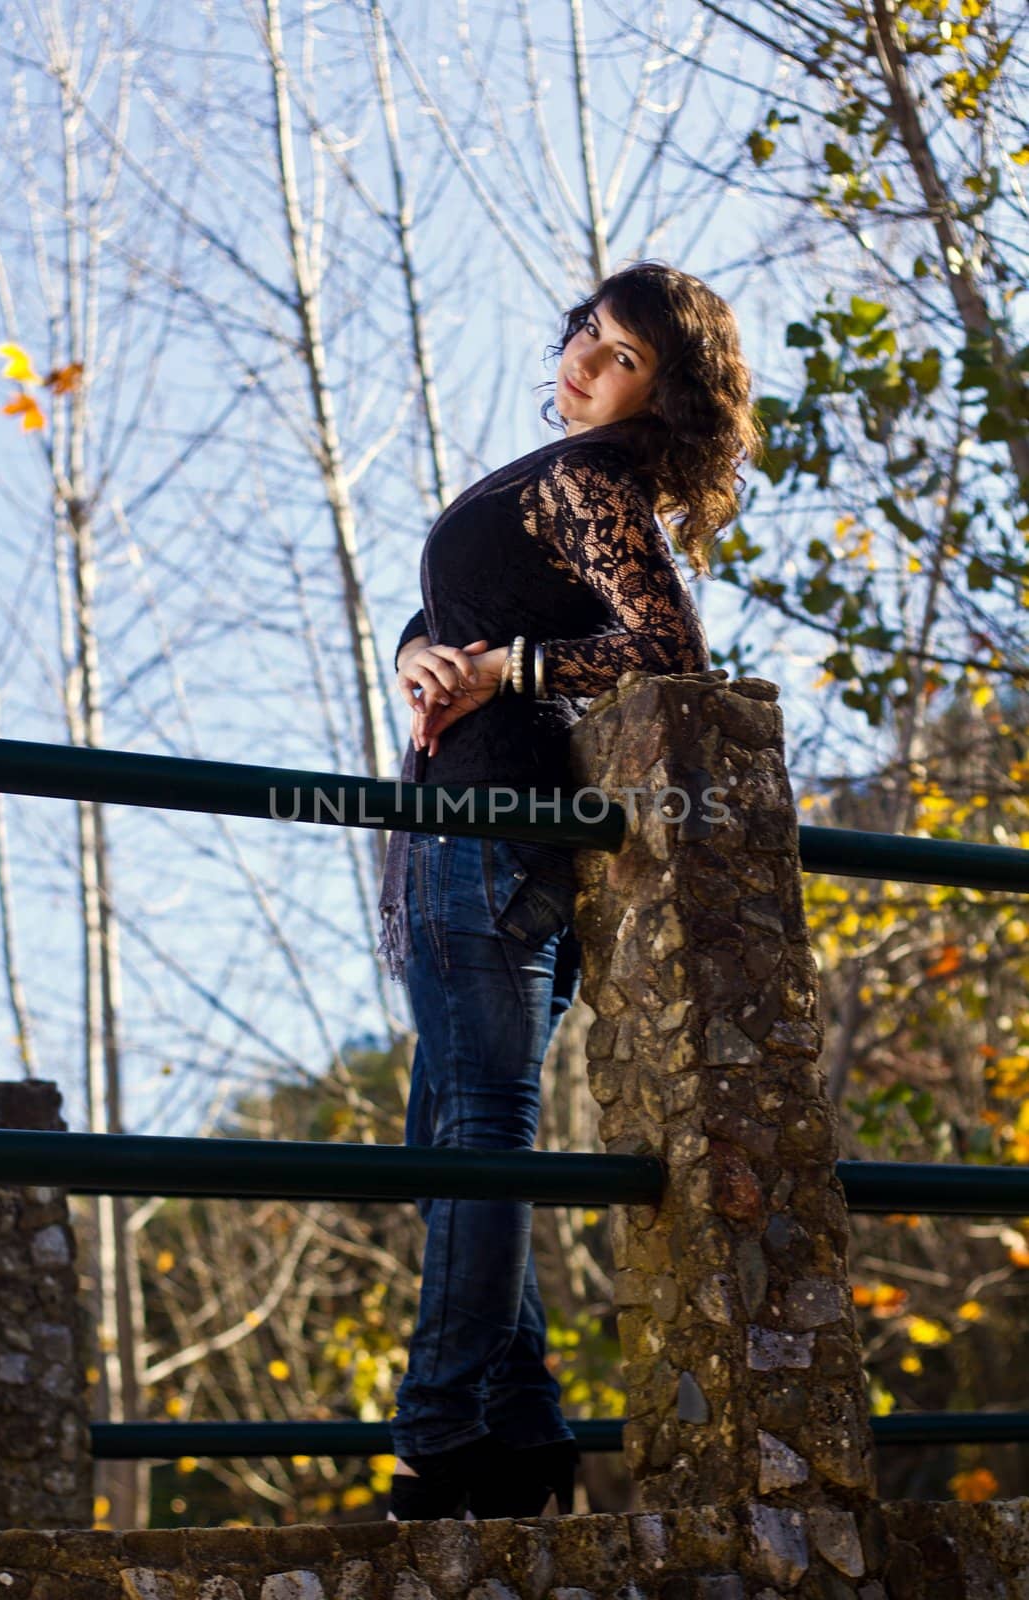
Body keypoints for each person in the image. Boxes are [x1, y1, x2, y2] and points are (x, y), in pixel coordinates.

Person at [377, 261, 760, 1521]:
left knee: (478, 1132)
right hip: (485, 825)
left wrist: (507, 673)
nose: (582, 367)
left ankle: (443, 1443)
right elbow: (466, 608)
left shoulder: (591, 476)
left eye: (620, 359)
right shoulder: (559, 477)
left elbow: (667, 648)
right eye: (584, 339)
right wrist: (421, 651)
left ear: (665, 397)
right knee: (459, 1137)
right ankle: (523, 1433)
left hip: (492, 825)